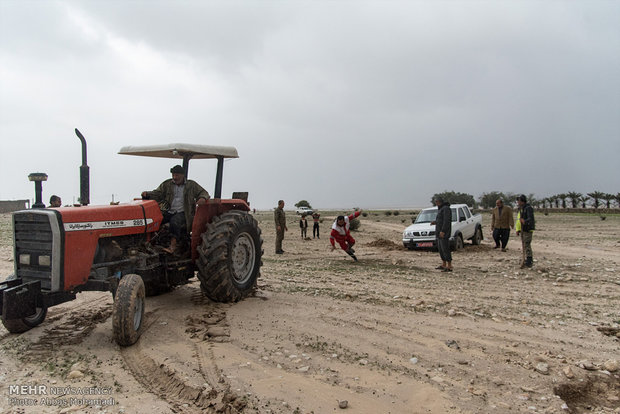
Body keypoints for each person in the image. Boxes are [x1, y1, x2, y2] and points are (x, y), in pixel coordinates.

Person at [142, 165, 209, 254]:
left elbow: (203, 192)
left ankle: (173, 246)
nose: (175, 177)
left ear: (182, 175)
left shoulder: (191, 185)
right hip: (169, 211)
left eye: (177, 175)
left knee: (175, 222)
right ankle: (149, 243)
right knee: (154, 220)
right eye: (173, 175)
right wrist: (148, 194)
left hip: (183, 212)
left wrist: (202, 198)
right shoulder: (167, 184)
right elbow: (157, 193)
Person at [516, 194, 535, 268]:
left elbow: (530, 218)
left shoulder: (528, 208)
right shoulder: (522, 208)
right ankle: (526, 259)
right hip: (523, 229)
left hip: (527, 229)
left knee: (526, 244)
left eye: (519, 201)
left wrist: (524, 221)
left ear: (522, 201)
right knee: (524, 244)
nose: (518, 202)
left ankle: (529, 260)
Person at [433, 197, 452, 272]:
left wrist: (443, 231)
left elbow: (446, 221)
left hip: (443, 233)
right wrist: (435, 222)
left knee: (445, 249)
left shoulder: (446, 209)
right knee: (441, 249)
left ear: (439, 202)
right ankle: (444, 264)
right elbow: (441, 220)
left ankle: (449, 265)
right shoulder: (440, 209)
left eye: (436, 202)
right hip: (439, 233)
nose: (436, 203)